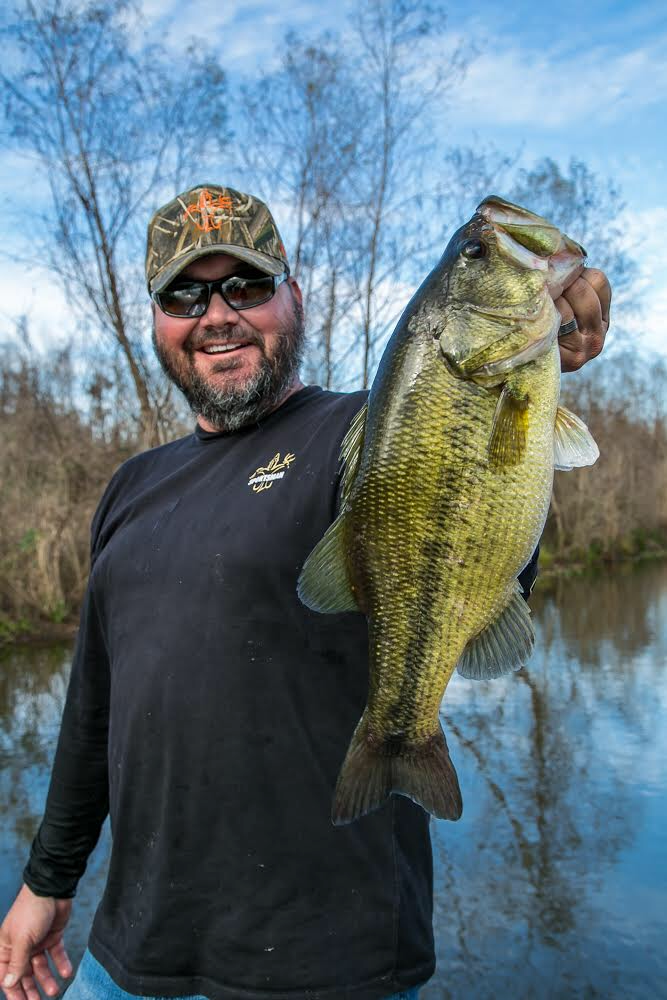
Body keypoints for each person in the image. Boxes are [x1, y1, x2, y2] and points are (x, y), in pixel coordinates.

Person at [0, 186, 610, 1000]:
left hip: (329, 965)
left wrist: (548, 340)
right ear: (157, 320)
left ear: (295, 296)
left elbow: (472, 536)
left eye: (246, 285)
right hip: (128, 955)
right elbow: (95, 706)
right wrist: (48, 881)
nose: (216, 313)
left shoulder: (364, 432)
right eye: (185, 294)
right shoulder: (130, 487)